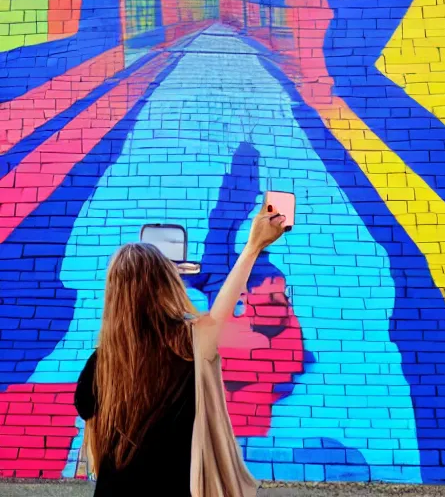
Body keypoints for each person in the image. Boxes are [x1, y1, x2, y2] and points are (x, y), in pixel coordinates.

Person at [74, 199, 287, 496]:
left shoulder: (102, 363)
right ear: (165, 284)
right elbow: (219, 312)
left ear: (114, 296)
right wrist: (253, 246)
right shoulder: (189, 344)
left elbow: (89, 423)